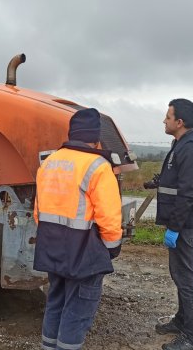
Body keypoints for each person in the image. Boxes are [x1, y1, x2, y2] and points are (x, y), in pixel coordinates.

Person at [33, 108, 123, 350]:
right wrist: (112, 249)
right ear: (95, 138)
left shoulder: (49, 162)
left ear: (72, 133)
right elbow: (110, 217)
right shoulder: (98, 166)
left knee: (55, 302)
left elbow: (38, 212)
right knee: (78, 309)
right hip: (84, 253)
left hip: (52, 248)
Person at [154, 99, 193, 350]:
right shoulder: (184, 144)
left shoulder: (191, 148)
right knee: (180, 275)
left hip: (188, 225)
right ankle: (182, 321)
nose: (164, 120)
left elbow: (188, 192)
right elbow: (178, 179)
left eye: (168, 117)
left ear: (179, 122)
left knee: (186, 278)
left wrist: (175, 227)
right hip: (186, 223)